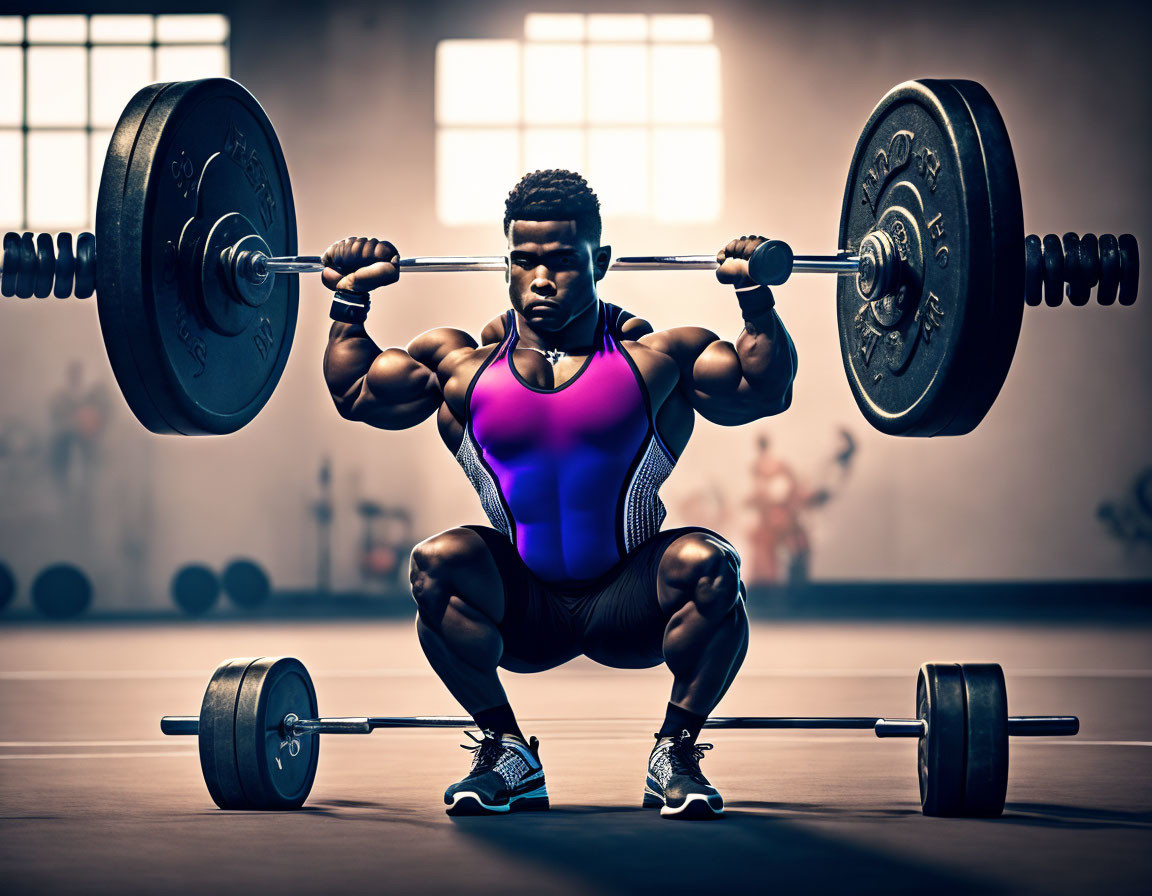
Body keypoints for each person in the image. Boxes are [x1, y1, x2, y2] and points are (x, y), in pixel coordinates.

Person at [322, 170, 797, 819]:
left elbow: (762, 388)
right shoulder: (461, 364)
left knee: (713, 569)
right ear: (506, 262)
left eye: (563, 263)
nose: (541, 279)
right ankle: (507, 751)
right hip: (524, 607)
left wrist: (754, 300)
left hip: (631, 603)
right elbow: (357, 394)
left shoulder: (655, 358)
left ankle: (675, 754)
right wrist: (349, 304)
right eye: (524, 261)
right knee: (435, 566)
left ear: (599, 262)